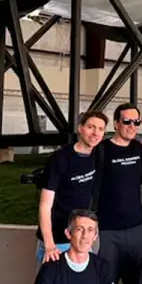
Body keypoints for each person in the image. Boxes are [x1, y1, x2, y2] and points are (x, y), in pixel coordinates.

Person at [94, 103, 142, 284]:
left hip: (136, 229)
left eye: (135, 122)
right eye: (126, 121)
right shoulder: (102, 150)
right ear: (116, 123)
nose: (131, 126)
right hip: (107, 230)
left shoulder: (137, 148)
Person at [37, 111, 108, 264]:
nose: (95, 132)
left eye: (100, 129)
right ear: (80, 128)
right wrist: (49, 244)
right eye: (91, 127)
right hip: (58, 242)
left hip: (84, 240)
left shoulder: (98, 154)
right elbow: (45, 204)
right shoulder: (60, 159)